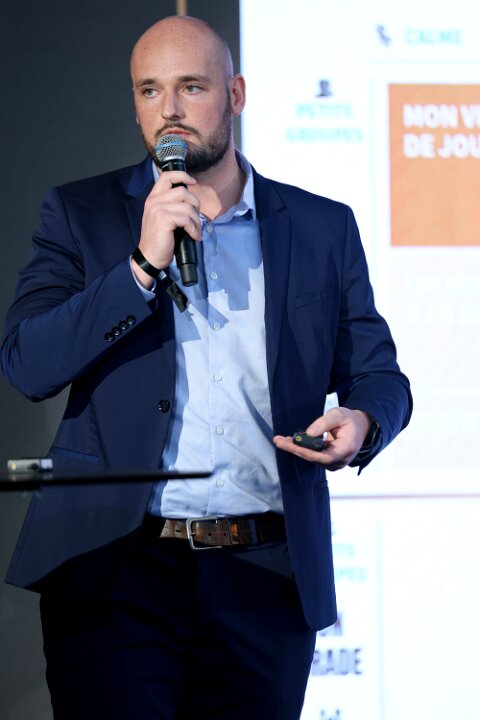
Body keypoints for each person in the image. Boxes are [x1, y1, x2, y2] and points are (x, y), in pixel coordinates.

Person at [1, 15, 412, 720]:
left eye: (191, 87)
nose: (169, 109)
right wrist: (139, 268)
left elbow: (380, 375)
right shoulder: (80, 214)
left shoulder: (321, 226)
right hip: (117, 569)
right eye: (149, 90)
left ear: (236, 94)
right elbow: (28, 364)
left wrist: (364, 421)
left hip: (264, 574)